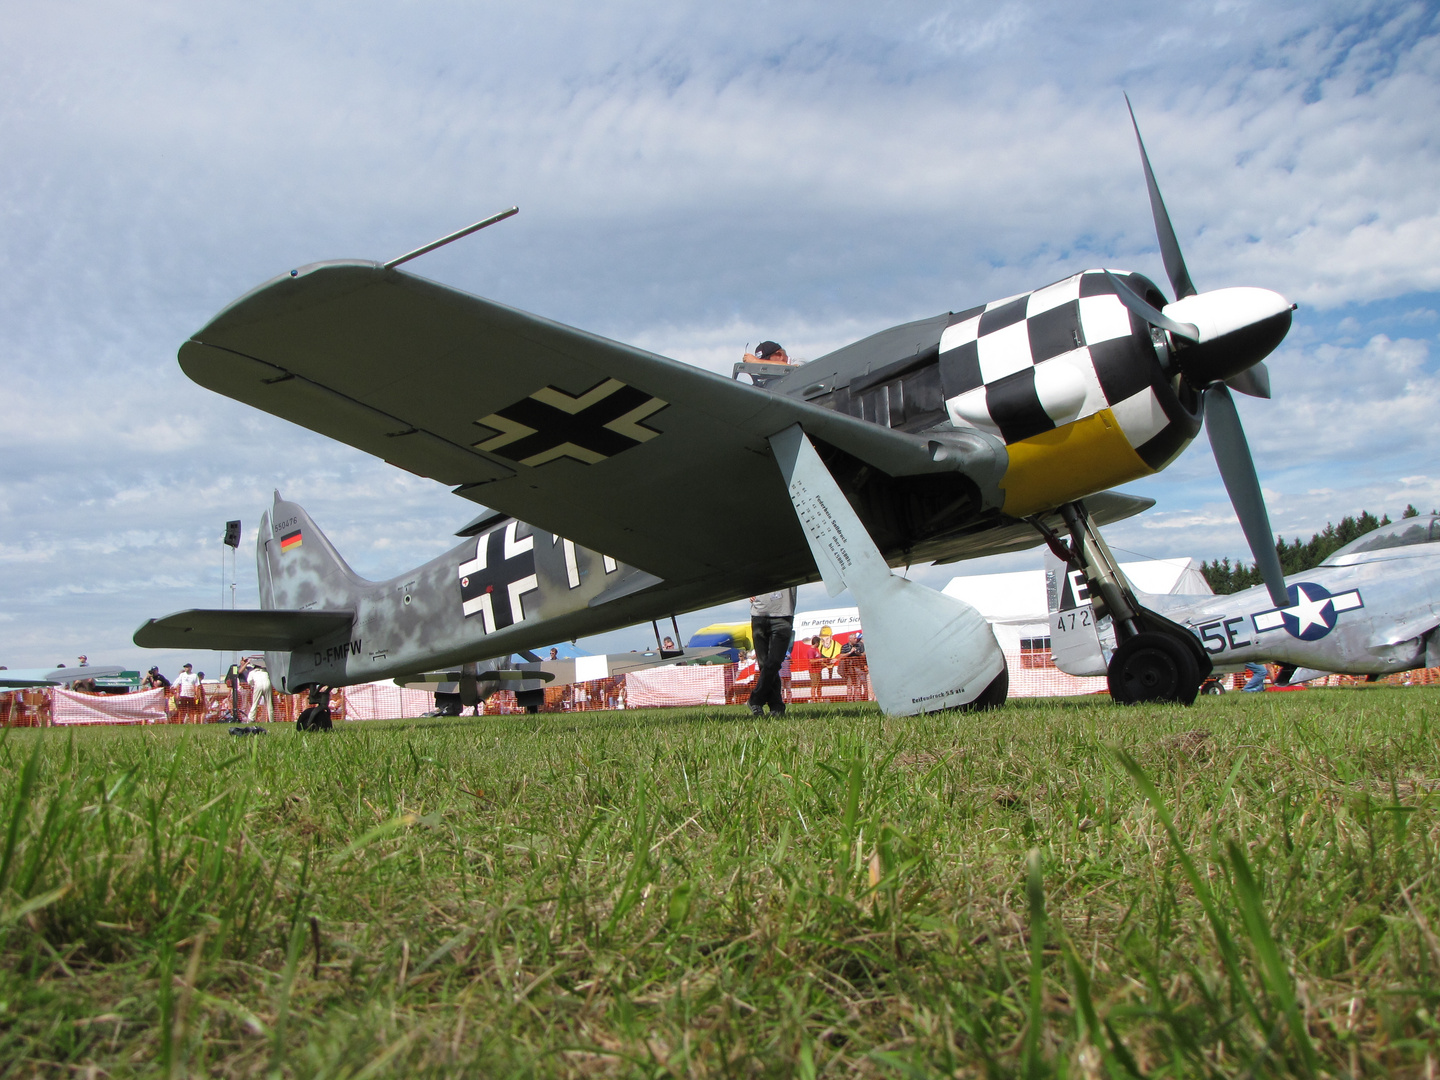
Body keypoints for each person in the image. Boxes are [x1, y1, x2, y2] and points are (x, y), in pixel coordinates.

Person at [747, 587, 797, 717]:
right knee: (764, 665)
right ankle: (777, 706)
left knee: (774, 662)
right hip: (759, 613)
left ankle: (756, 699)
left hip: (783, 615)